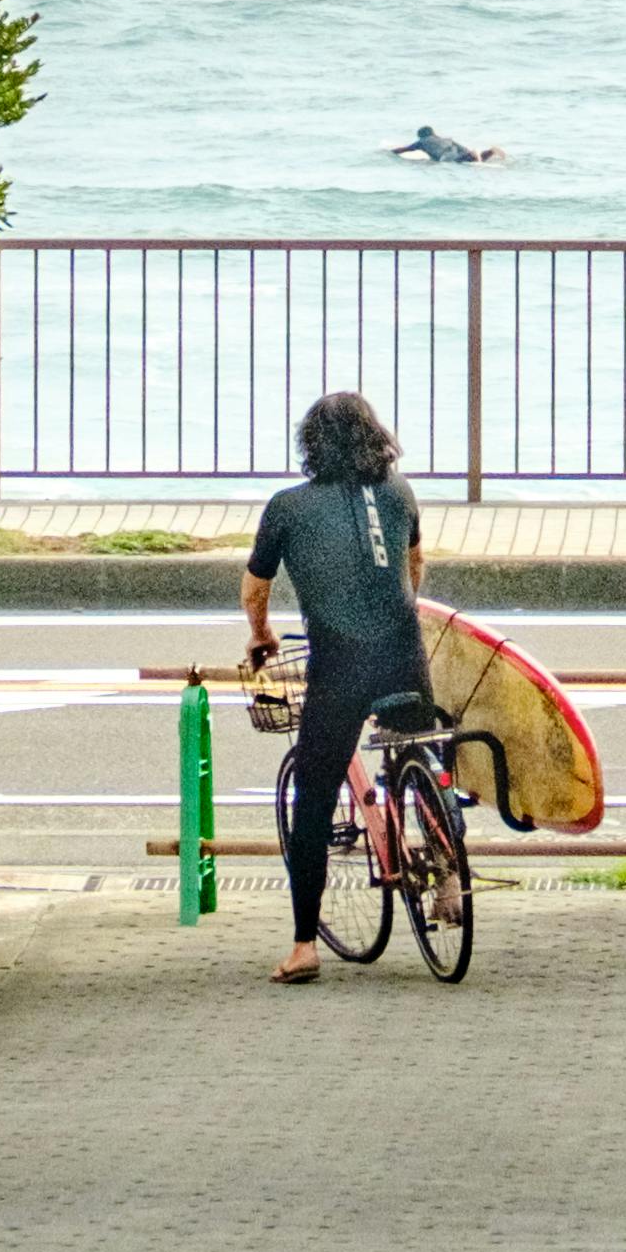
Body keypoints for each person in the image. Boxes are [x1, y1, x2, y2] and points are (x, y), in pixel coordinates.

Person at [240, 386, 430, 984]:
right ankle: (446, 866)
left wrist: (262, 635)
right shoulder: (399, 494)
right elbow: (414, 567)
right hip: (405, 655)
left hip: (339, 669)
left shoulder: (287, 507)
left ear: (311, 445)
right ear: (375, 435)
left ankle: (303, 946)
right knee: (419, 753)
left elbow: (255, 588)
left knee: (315, 801)